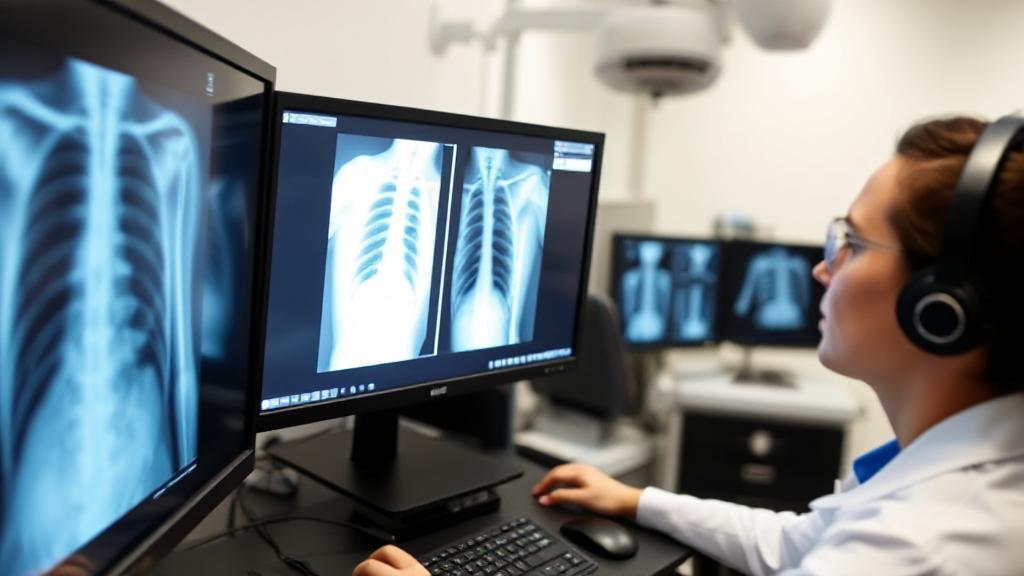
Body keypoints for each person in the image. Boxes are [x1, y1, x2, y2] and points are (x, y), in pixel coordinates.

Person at [352, 115, 1024, 575]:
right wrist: (642, 501)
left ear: (942, 308)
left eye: (850, 243)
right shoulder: (952, 485)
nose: (823, 269)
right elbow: (797, 542)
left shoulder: (923, 548)